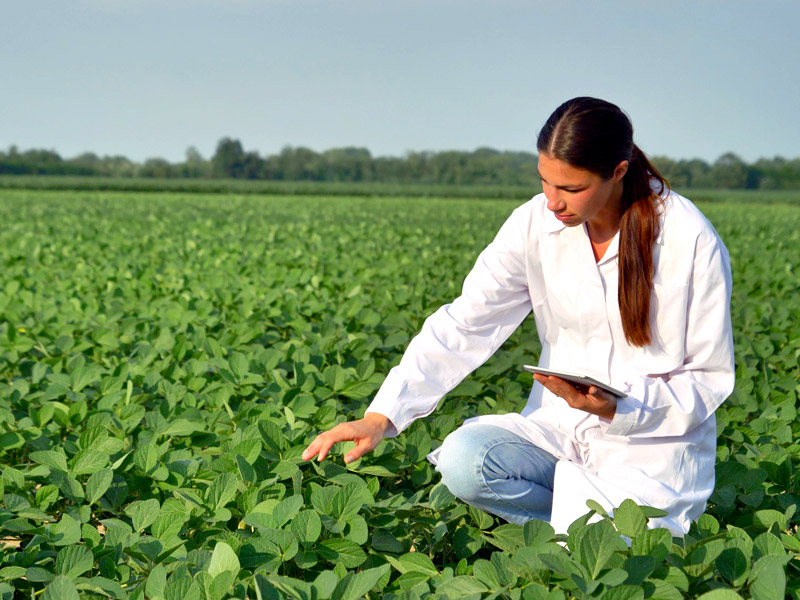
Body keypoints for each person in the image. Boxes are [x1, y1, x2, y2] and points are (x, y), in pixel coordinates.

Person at [302, 97, 734, 536]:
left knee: (620, 552)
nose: (553, 202)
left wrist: (619, 406)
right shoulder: (533, 224)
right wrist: (382, 418)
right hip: (559, 436)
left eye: (571, 189)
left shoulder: (687, 238)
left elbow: (707, 377)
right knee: (465, 461)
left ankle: (587, 536)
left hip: (650, 456)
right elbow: (466, 323)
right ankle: (576, 534)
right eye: (545, 181)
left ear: (618, 172)